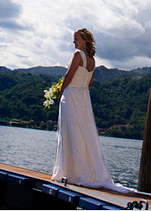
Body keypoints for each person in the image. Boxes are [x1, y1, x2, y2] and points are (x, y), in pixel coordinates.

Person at [51, 28, 132, 193]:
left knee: (69, 132)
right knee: (82, 133)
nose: (74, 42)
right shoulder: (92, 60)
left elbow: (68, 75)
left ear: (84, 40)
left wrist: (60, 92)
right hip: (83, 99)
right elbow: (90, 82)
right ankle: (80, 172)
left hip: (72, 95)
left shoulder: (77, 55)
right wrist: (80, 88)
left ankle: (71, 173)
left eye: (76, 38)